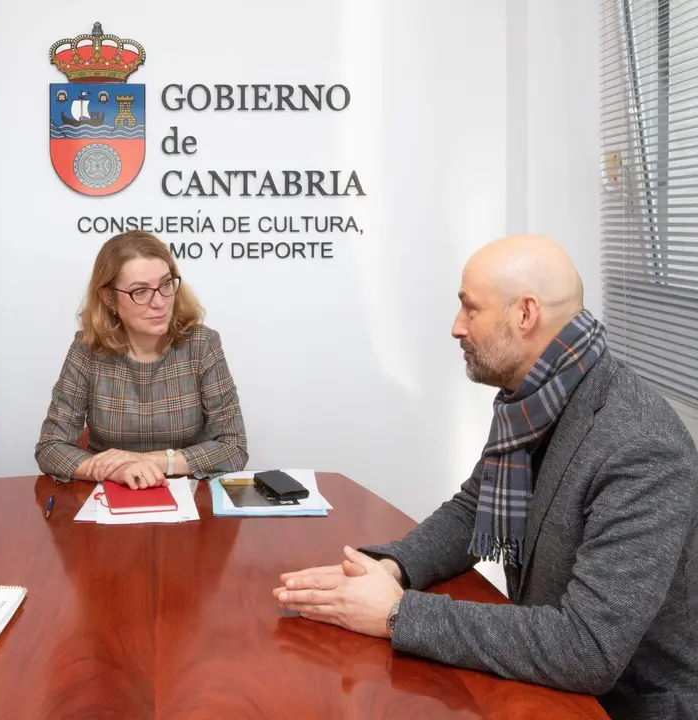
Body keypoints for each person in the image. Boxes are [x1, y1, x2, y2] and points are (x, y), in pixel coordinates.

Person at [273, 235, 698, 720]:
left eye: (470, 309)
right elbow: (474, 510)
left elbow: (588, 647)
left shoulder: (639, 445)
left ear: (525, 314)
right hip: (550, 691)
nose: (457, 328)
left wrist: (396, 614)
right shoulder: (537, 401)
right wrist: (391, 569)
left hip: (625, 707)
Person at [35, 230, 248, 488]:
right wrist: (117, 470)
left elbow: (233, 447)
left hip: (187, 498)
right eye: (140, 292)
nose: (159, 302)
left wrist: (149, 461)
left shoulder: (202, 345)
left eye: (166, 284)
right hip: (110, 496)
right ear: (108, 297)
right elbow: (50, 447)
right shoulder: (87, 350)